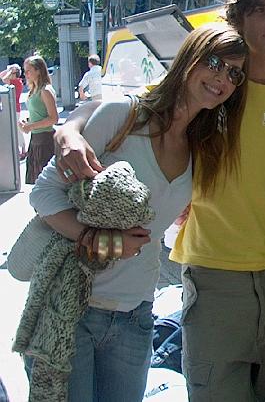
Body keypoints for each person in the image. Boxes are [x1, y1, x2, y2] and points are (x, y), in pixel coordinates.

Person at [54, 0, 265, 401]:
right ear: (238, 18)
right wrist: (69, 128)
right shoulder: (212, 91)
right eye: (259, 9)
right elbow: (137, 105)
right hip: (213, 276)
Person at [27, 23, 248, 402]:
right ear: (190, 58)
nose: (222, 78)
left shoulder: (202, 149)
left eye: (234, 73)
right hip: (72, 307)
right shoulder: (124, 117)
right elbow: (44, 194)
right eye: (214, 62)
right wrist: (102, 240)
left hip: (136, 316)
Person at [21, 55, 58, 183]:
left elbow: (53, 118)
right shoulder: (34, 90)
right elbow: (39, 113)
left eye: (28, 70)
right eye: (25, 71)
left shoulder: (45, 90)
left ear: (38, 70)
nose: (25, 74)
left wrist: (30, 126)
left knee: (46, 180)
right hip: (36, 139)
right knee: (36, 179)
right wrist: (27, 122)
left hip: (45, 139)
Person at [0, 63, 26, 159]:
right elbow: (1, 75)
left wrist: (10, 71)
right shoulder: (14, 81)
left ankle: (22, 149)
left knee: (16, 130)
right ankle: (20, 149)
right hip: (13, 108)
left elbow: (3, 78)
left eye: (11, 73)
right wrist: (9, 70)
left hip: (15, 109)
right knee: (15, 129)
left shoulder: (16, 82)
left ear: (15, 73)